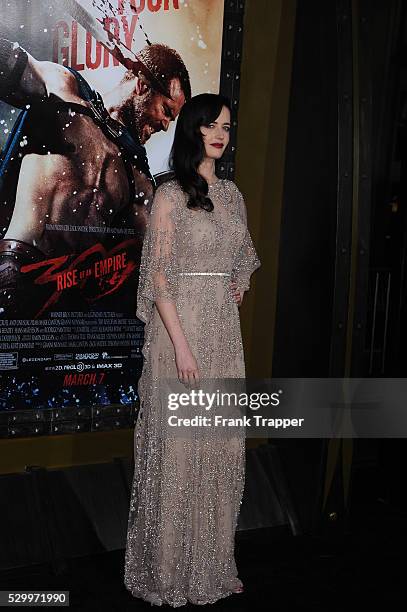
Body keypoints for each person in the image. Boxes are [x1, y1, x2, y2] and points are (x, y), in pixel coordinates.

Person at [124, 93, 261, 606]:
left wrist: (238, 285)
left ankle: (214, 564)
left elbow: (243, 256)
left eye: (227, 125)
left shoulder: (232, 195)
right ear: (192, 130)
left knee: (222, 452)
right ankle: (167, 571)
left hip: (223, 332)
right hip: (178, 332)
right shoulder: (169, 195)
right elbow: (157, 277)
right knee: (179, 454)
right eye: (211, 125)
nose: (221, 134)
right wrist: (180, 346)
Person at [0, 38, 191, 316]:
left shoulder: (137, 178)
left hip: (69, 302)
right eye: (166, 111)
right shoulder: (64, 90)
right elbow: (12, 64)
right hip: (17, 270)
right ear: (142, 85)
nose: (165, 125)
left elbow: (153, 262)